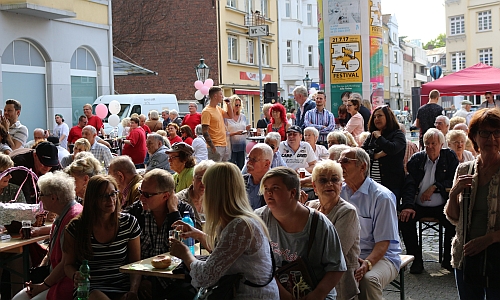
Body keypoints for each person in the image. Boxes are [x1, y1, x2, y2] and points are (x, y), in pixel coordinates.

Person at [170, 163, 279, 299]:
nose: (204, 193)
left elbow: (206, 276)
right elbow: (223, 254)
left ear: (216, 192)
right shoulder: (235, 221)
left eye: (207, 187)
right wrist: (198, 234)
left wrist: (185, 253)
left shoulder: (240, 226)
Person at [256, 166, 346, 299]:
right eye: (266, 189)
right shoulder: (259, 219)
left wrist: (316, 295)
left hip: (314, 292)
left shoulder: (319, 224)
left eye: (275, 188)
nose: (269, 193)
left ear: (292, 193)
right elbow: (258, 265)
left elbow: (337, 268)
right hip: (273, 290)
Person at [445, 108, 500, 299]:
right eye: (485, 133)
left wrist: (490, 238)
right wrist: (454, 194)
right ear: (474, 137)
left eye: (497, 132)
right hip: (466, 257)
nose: (491, 138)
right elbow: (454, 217)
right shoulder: (464, 169)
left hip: (497, 258)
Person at [63, 175, 141, 300]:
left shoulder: (128, 223)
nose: (111, 200)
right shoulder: (76, 228)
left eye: (113, 194)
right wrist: (75, 275)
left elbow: (135, 264)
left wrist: (133, 291)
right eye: (104, 196)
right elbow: (68, 265)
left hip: (122, 288)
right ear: (92, 199)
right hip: (90, 289)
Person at [339, 148, 401, 299]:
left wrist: (367, 263)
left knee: (368, 280)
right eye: (339, 161)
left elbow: (383, 243)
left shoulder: (382, 197)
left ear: (363, 166)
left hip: (381, 257)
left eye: (345, 161)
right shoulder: (339, 191)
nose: (340, 165)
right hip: (347, 255)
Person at [122, 169, 194, 300]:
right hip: (139, 279)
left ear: (166, 196)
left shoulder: (184, 212)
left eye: (147, 195)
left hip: (174, 284)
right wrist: (143, 281)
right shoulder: (135, 212)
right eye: (140, 192)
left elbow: (185, 252)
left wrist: (173, 213)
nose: (140, 198)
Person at [12, 172, 83, 300]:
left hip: (67, 282)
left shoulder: (72, 219)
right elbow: (51, 250)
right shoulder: (65, 212)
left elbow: (64, 264)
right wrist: (38, 276)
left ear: (54, 198)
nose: (39, 198)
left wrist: (43, 285)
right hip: (54, 278)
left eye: (41, 194)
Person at [400, 128, 458, 273]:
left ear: (441, 144)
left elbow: (453, 181)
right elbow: (409, 185)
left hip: (442, 205)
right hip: (419, 204)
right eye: (427, 143)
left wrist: (434, 187)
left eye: (434, 143)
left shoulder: (449, 157)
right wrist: (407, 206)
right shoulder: (417, 159)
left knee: (454, 223)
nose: (430, 147)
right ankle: (416, 260)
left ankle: (448, 260)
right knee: (404, 220)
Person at [306, 160, 360, 300]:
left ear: (341, 185)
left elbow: (336, 253)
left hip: (338, 285)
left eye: (335, 179)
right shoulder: (309, 206)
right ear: (314, 186)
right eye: (323, 180)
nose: (329, 184)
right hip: (310, 281)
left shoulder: (347, 212)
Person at [362, 105, 406, 199]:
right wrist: (376, 155)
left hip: (392, 183)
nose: (376, 119)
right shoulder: (371, 136)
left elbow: (392, 149)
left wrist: (379, 138)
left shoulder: (398, 134)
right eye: (374, 117)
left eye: (380, 116)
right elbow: (362, 154)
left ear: (388, 117)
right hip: (373, 183)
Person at [176, 159, 215, 230]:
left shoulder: (216, 200)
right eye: (200, 178)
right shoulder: (180, 200)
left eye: (208, 180)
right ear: (193, 180)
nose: (203, 183)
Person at [201, 86, 233, 162]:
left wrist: (228, 104)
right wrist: (212, 147)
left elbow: (230, 116)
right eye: (221, 94)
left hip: (223, 144)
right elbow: (205, 131)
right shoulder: (207, 111)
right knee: (216, 170)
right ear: (215, 96)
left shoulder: (218, 108)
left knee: (224, 169)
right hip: (215, 145)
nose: (223, 96)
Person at [243, 143, 272, 210]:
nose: (248, 162)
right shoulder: (241, 181)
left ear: (266, 164)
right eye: (248, 158)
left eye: (254, 160)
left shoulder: (275, 184)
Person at [225, 95, 250, 169]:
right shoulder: (226, 117)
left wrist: (247, 129)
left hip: (242, 145)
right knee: (231, 167)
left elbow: (245, 129)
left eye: (239, 105)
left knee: (241, 167)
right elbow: (223, 133)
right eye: (236, 105)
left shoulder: (243, 116)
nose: (238, 107)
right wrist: (235, 133)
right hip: (231, 146)